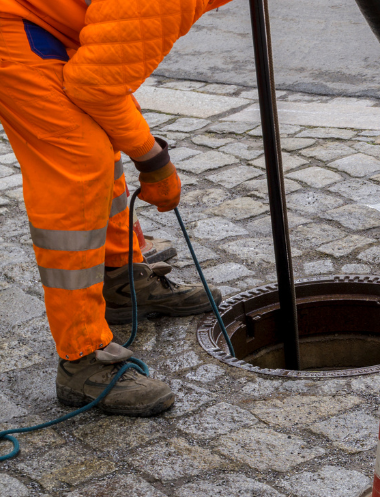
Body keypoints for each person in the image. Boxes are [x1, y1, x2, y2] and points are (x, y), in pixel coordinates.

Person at [0, 0, 231, 416]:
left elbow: (105, 77)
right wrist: (154, 162)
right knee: (77, 163)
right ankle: (82, 358)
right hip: (14, 22)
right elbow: (96, 87)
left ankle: (118, 281)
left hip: (51, 19)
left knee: (99, 140)